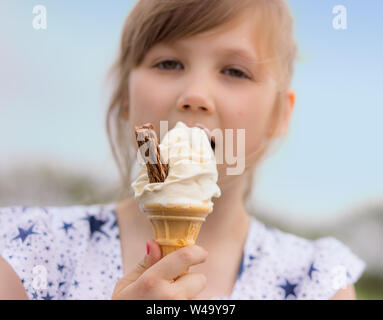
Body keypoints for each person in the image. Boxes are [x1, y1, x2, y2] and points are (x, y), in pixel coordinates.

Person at [0, 0, 365, 300]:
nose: (195, 95)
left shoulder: (316, 281)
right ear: (126, 99)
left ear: (279, 115)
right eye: (169, 63)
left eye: (235, 72)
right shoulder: (27, 249)